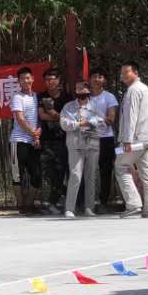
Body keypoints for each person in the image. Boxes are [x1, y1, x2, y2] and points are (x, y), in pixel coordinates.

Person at [113, 62, 148, 219]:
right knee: (147, 173)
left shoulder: (133, 90)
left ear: (136, 73)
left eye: (127, 72)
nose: (123, 75)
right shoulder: (146, 89)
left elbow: (131, 116)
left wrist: (127, 139)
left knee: (120, 166)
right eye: (122, 72)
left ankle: (133, 204)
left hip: (136, 140)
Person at [59, 81, 102, 218]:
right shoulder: (68, 106)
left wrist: (89, 122)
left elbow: (100, 121)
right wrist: (80, 124)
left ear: (88, 90)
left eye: (84, 89)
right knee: (75, 175)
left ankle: (89, 207)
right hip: (75, 144)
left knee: (91, 176)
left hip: (92, 143)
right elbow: (64, 124)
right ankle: (69, 209)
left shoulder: (95, 105)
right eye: (78, 89)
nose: (81, 91)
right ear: (75, 91)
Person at [10, 67, 44, 214]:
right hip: (18, 141)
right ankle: (21, 205)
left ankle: (29, 204)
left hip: (33, 142)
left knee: (36, 174)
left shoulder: (37, 97)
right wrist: (33, 133)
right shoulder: (17, 97)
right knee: (17, 175)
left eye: (28, 78)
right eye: (22, 79)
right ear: (19, 82)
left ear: (33, 79)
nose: (26, 81)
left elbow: (40, 117)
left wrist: (37, 133)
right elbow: (20, 118)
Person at [88, 68, 120, 212]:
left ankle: (103, 201)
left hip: (105, 138)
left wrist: (95, 118)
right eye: (94, 76)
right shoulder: (84, 97)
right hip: (88, 137)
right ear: (89, 80)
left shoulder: (109, 97)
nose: (96, 79)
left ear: (104, 80)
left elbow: (111, 120)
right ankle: (88, 202)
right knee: (88, 170)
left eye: (99, 77)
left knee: (105, 171)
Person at [37, 69, 68, 213]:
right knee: (48, 172)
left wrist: (51, 112)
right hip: (47, 140)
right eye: (47, 79)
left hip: (64, 140)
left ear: (58, 80)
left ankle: (59, 199)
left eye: (52, 79)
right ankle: (49, 202)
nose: (49, 82)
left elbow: (69, 118)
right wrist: (59, 117)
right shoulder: (41, 96)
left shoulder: (67, 97)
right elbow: (42, 116)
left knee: (62, 171)